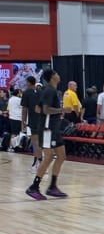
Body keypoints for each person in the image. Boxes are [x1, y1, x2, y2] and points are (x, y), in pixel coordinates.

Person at [25, 69, 71, 200]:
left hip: (53, 128)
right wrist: (62, 110)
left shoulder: (49, 91)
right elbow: (45, 110)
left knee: (62, 156)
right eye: (56, 73)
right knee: (49, 157)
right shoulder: (49, 90)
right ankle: (34, 187)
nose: (59, 75)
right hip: (47, 129)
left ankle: (52, 186)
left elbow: (37, 108)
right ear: (52, 77)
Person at [20, 76, 43, 172]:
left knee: (35, 143)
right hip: (42, 119)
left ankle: (38, 164)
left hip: (33, 120)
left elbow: (24, 109)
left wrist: (23, 122)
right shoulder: (41, 92)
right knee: (40, 143)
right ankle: (38, 164)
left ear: (29, 83)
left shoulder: (26, 93)